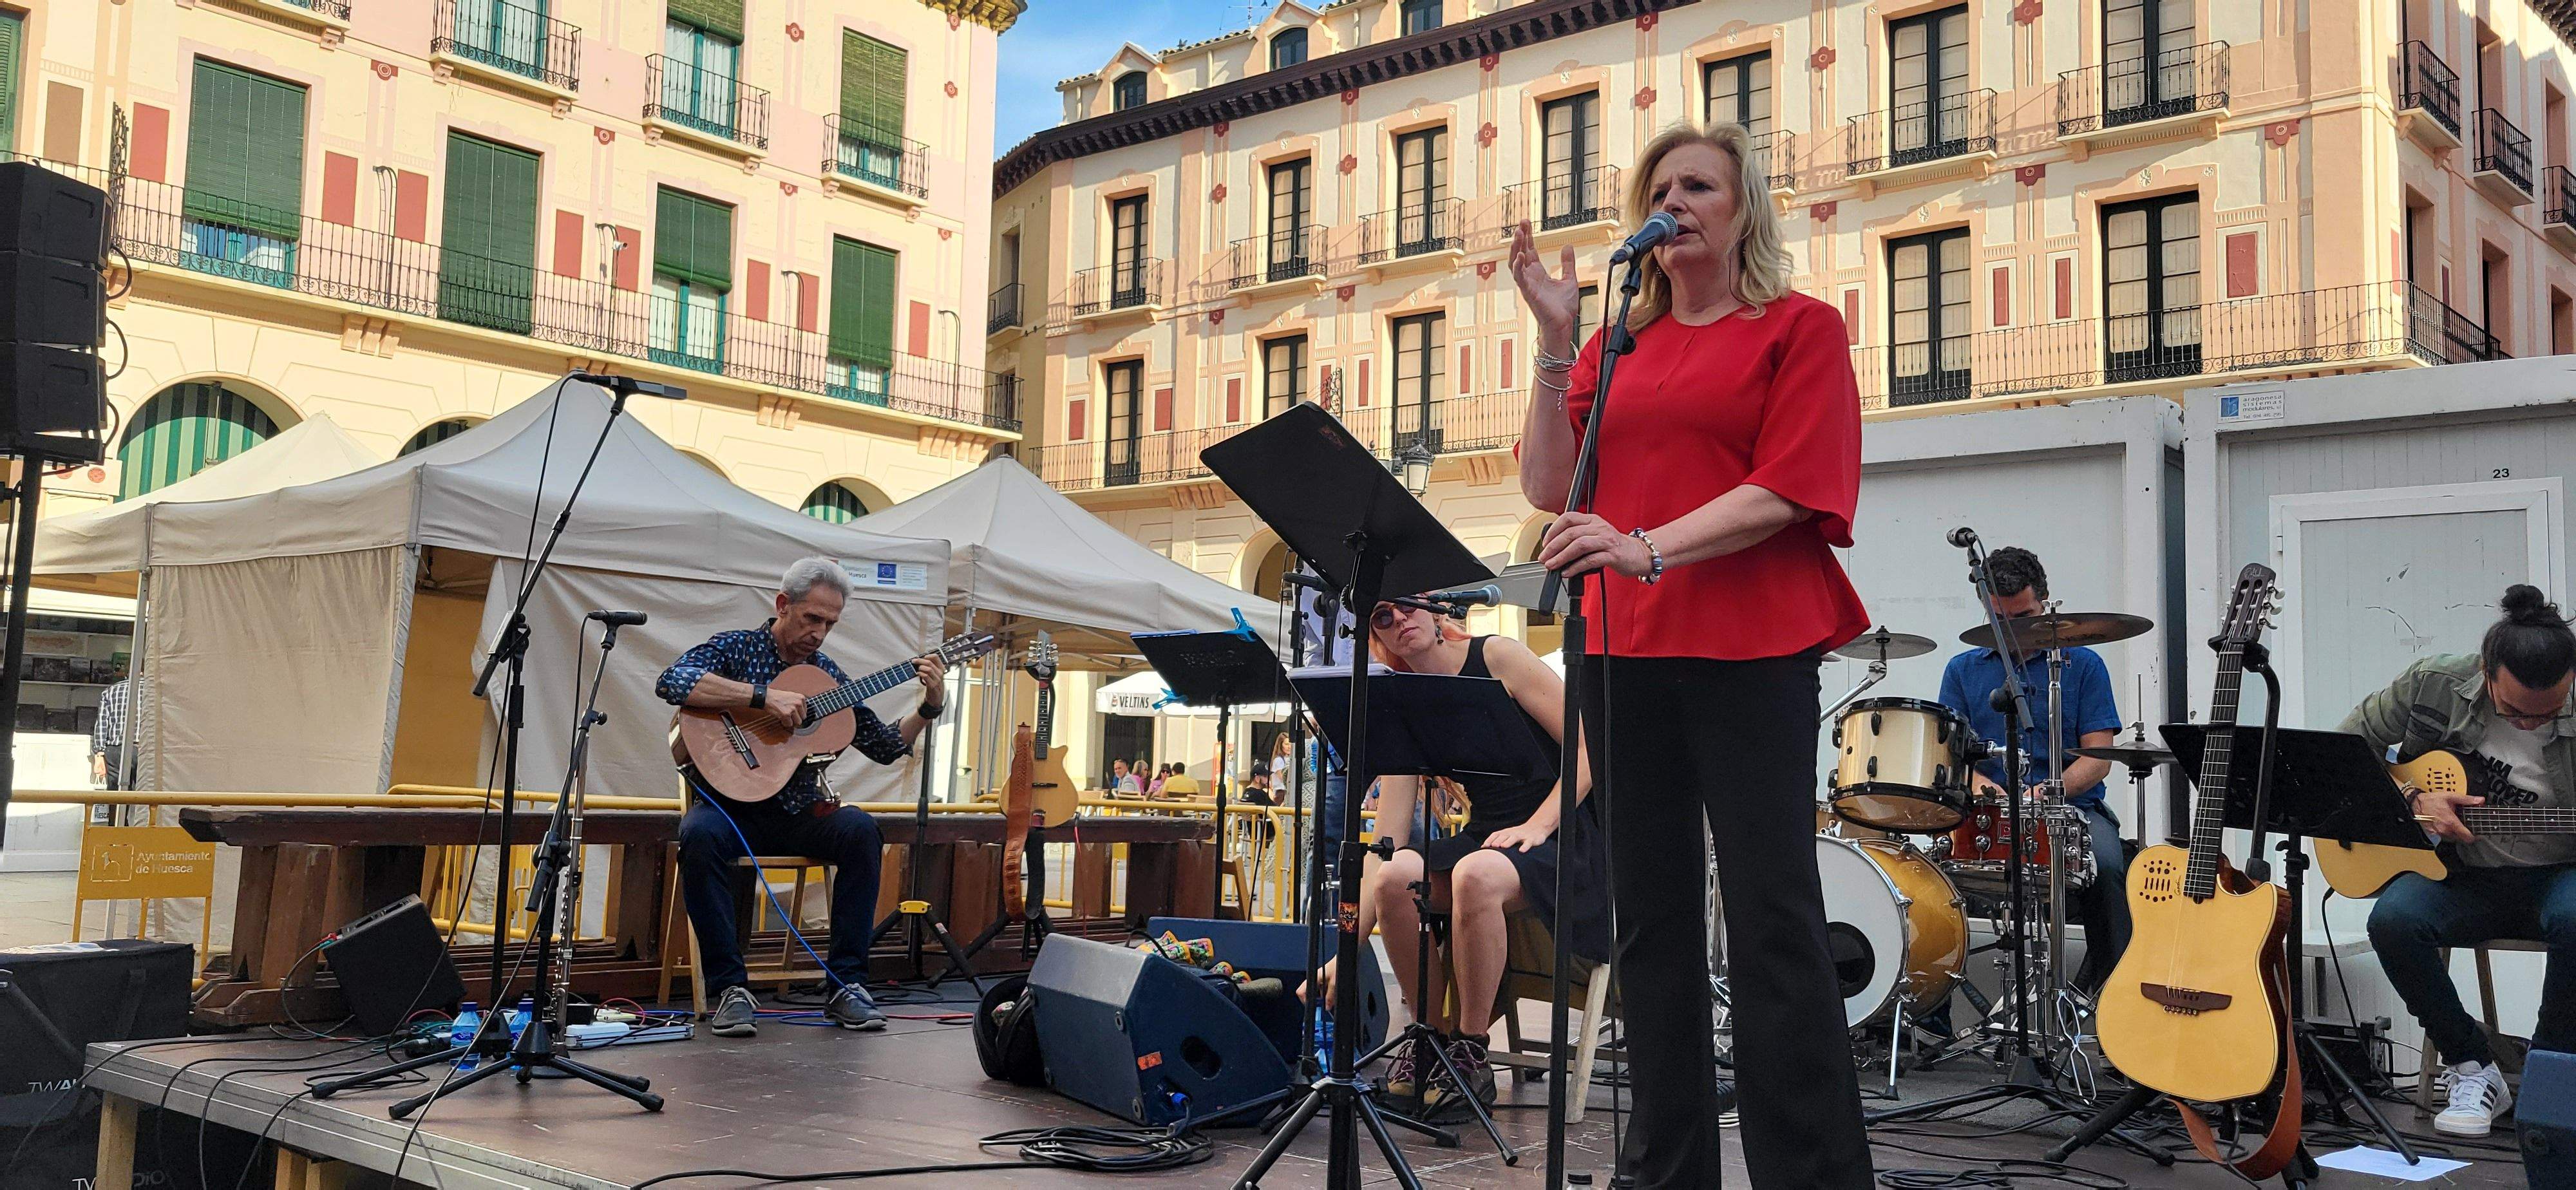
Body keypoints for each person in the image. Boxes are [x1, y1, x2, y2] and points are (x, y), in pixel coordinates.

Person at [1510, 119, 1874, 1187]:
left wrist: (1645, 546)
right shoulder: (1617, 347)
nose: (1674, 200)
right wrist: (1552, 340)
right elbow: (1548, 482)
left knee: (1770, 920)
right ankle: (1667, 1169)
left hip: (1751, 647)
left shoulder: (1797, 329)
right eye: (1659, 187)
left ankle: (1810, 1173)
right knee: (1650, 924)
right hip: (1627, 651)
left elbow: (1792, 485)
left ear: (1741, 208)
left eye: (1698, 184)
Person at [1305, 600, 1602, 1116]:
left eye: (1406, 606)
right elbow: (1388, 843)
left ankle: (1470, 1049)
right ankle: (1429, 1040)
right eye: (1382, 618)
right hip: (1490, 837)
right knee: (1398, 877)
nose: (1399, 619)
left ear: (1435, 613)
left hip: (1566, 832)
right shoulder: (1405, 699)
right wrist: (1346, 949)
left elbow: (1588, 749)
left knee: (1473, 873)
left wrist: (1538, 825)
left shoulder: (1499, 657)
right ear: (1377, 639)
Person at [660, 556, 945, 1038]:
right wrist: (762, 698)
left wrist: (929, 706)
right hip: (728, 813)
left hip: (796, 812)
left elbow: (885, 746)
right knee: (697, 834)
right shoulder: (736, 649)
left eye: (830, 624)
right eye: (812, 618)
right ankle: (730, 989)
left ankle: (847, 986)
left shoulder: (827, 676)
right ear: (782, 605)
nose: (820, 632)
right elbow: (673, 681)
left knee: (860, 829)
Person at [2352, 583, 2576, 1138]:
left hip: (2561, 877)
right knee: (2394, 920)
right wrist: (2413, 800)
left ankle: (2549, 1078)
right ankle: (2474, 1069)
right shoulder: (2434, 683)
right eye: (2514, 712)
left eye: (2546, 715)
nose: (2528, 725)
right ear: (2486, 671)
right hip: (2459, 873)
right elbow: (2346, 752)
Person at [1933, 547, 2130, 996]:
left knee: (2110, 869)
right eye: (2001, 621)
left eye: (2024, 617)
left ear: (2045, 604)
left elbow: (2099, 758)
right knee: (1927, 879)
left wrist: (2049, 793)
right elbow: (1949, 756)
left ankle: (2116, 1012)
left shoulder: (2084, 665)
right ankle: (1934, 1015)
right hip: (1986, 812)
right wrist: (1982, 787)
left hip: (2072, 810)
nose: (2014, 631)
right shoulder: (1961, 671)